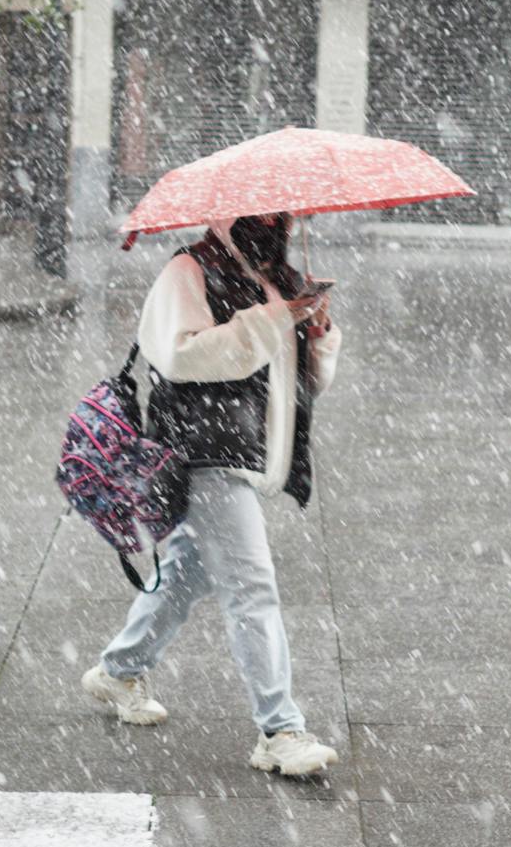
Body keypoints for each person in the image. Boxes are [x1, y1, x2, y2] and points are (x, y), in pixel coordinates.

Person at [81, 212, 343, 777]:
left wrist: (315, 335)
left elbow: (299, 384)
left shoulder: (279, 277)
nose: (276, 222)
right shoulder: (189, 270)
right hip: (204, 454)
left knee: (189, 573)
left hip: (248, 453)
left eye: (283, 214)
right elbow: (181, 356)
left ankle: (119, 669)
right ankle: (279, 730)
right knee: (252, 586)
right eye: (263, 212)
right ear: (229, 215)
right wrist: (276, 319)